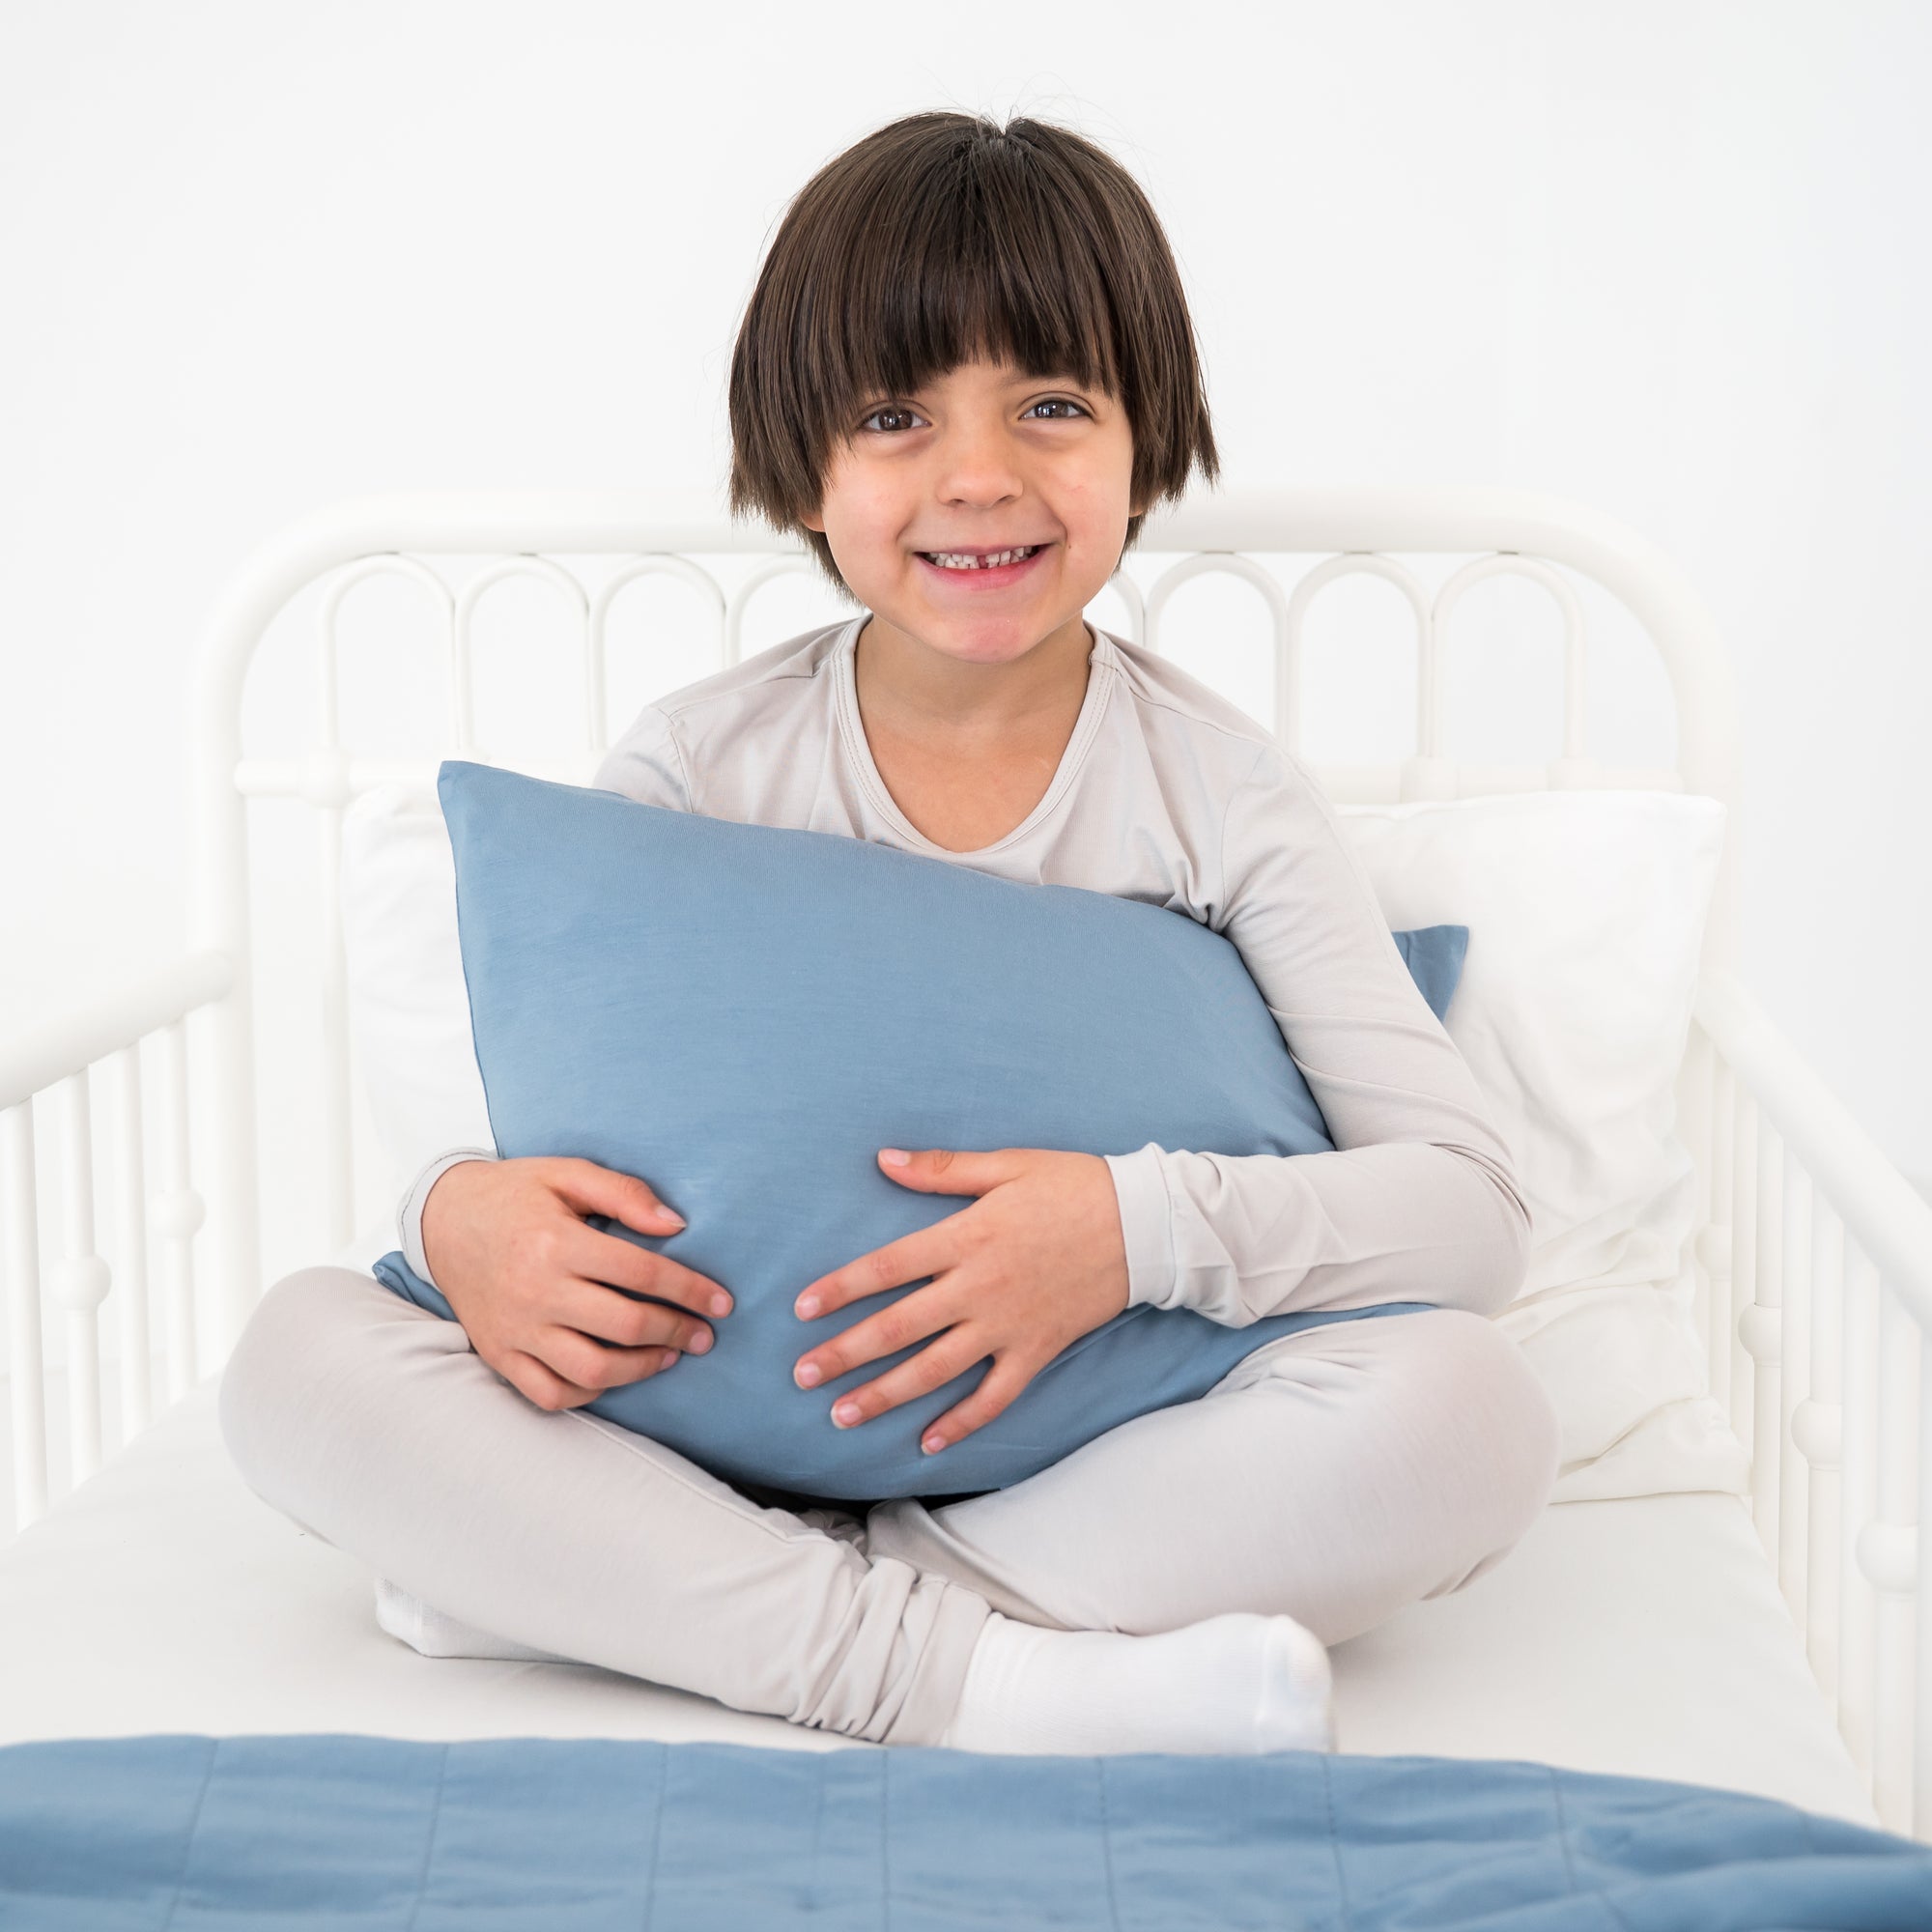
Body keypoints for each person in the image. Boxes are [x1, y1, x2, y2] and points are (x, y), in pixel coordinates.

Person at [219, 109, 1561, 1757]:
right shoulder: (699, 766)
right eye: (894, 414)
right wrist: (459, 1219)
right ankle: (981, 1680)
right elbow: (553, 1160)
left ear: (1150, 439)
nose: (979, 475)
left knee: (1469, 1415)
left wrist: (1124, 1235)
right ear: (804, 464)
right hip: (707, 1434)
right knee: (298, 1353)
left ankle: (676, 1607)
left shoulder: (1226, 800)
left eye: (1052, 405)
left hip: (1082, 1469)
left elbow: (1472, 1216)